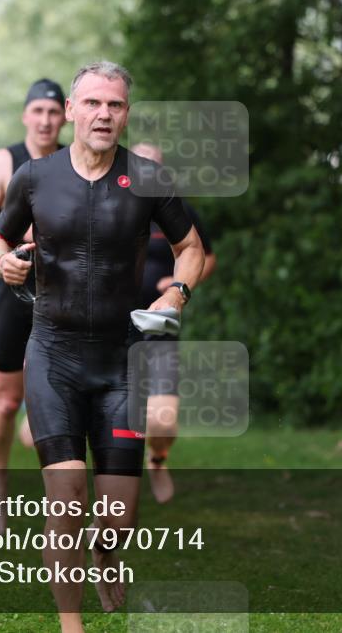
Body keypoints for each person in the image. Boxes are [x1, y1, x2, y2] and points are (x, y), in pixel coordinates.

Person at [0, 61, 205, 630]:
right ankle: (70, 624)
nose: (104, 114)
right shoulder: (35, 177)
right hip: (53, 356)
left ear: (125, 114)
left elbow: (191, 248)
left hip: (120, 364)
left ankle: (107, 552)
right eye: (93, 104)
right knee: (66, 496)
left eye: (115, 106)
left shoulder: (147, 179)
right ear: (73, 112)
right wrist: (2, 261)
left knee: (117, 519)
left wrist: (176, 295)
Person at [0, 78, 66, 531]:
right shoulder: (4, 161)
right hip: (13, 292)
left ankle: (60, 502)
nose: (45, 120)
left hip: (65, 296)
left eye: (53, 112)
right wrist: (26, 235)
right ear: (25, 115)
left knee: (63, 401)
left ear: (65, 115)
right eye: (37, 111)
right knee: (5, 402)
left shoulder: (75, 163)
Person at [129, 142, 217, 504]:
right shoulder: (108, 207)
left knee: (163, 421)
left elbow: (205, 257)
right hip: (111, 325)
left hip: (159, 321)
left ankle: (158, 459)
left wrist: (179, 287)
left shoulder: (177, 210)